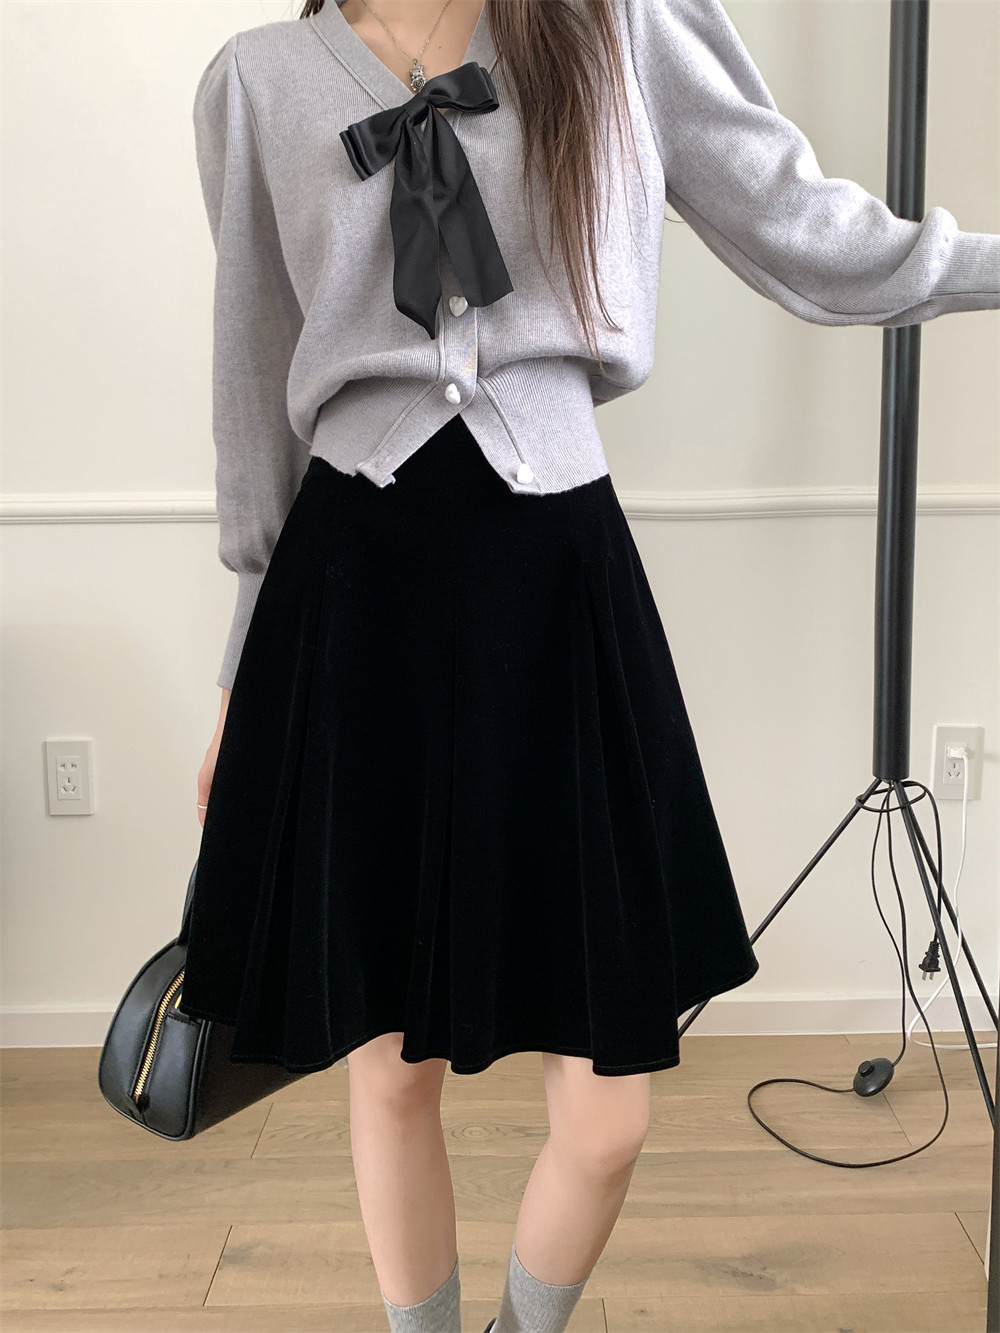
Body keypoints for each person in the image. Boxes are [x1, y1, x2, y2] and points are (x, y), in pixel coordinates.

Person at [176, 2, 1000, 1331]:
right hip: (351, 590)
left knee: (609, 1110)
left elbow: (802, 224)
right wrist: (239, 676)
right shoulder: (254, 81)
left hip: (556, 578)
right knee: (390, 1069)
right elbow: (250, 383)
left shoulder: (614, 28)